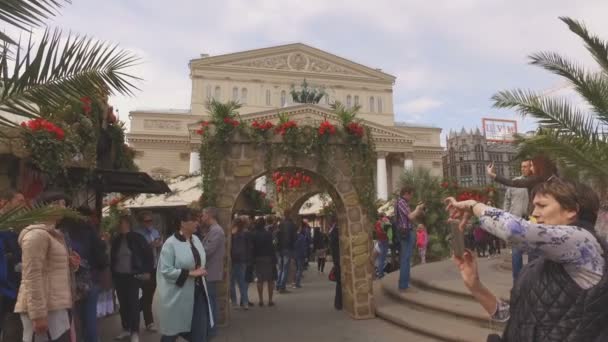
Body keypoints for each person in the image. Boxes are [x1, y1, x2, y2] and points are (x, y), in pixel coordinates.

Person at [449, 177, 608, 341]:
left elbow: (513, 230)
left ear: (571, 210)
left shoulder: (584, 242)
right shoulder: (542, 262)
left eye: (542, 205)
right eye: (534, 206)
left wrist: (474, 205)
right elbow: (516, 318)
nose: (534, 213)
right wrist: (475, 286)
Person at [15, 191, 77, 342]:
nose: (62, 207)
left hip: (55, 305)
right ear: (41, 208)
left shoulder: (53, 235)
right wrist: (38, 315)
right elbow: (32, 276)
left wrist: (69, 264)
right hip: (44, 309)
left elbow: (50, 268)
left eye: (63, 204)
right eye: (56, 204)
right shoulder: (37, 235)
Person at [157, 208, 213, 342]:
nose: (197, 223)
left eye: (197, 220)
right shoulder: (170, 244)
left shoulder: (196, 240)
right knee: (171, 332)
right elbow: (165, 270)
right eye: (193, 220)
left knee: (200, 333)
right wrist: (190, 273)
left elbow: (199, 261)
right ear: (182, 223)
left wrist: (201, 269)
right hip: (178, 295)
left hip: (198, 292)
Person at [58, 207, 108, 342]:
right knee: (90, 318)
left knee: (75, 320)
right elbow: (101, 258)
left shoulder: (61, 230)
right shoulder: (88, 230)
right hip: (91, 279)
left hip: (70, 281)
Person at [110, 215, 154, 342]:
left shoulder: (137, 238)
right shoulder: (117, 239)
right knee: (122, 304)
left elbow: (148, 254)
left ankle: (135, 331)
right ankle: (126, 329)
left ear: (128, 224)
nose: (120, 225)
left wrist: (147, 271)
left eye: (122, 223)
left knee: (133, 304)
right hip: (119, 276)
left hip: (133, 276)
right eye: (120, 223)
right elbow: (113, 258)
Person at [487, 155, 556, 214]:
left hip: (537, 215)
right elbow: (507, 200)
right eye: (521, 167)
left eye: (531, 166)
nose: (523, 169)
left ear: (537, 166)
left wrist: (493, 175)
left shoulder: (535, 180)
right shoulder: (545, 179)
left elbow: (512, 183)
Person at [0, 189, 25, 341]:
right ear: (3, 202)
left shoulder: (17, 225)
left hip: (12, 288)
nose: (23, 205)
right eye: (19, 201)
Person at [503, 160, 532, 279]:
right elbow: (507, 200)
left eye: (526, 166)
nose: (523, 169)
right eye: (522, 166)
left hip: (532, 221)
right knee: (516, 253)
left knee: (533, 253)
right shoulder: (515, 182)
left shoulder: (537, 183)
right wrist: (505, 217)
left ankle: (531, 280)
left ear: (531, 167)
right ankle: (517, 281)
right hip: (516, 221)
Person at [394, 186, 426, 291]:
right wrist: (417, 209)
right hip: (405, 233)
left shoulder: (402, 202)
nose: (411, 197)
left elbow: (410, 216)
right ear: (406, 193)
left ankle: (405, 284)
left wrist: (419, 210)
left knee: (406, 258)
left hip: (406, 232)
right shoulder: (401, 202)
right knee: (405, 259)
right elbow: (411, 217)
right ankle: (403, 285)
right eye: (411, 194)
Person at [200, 207, 225, 338]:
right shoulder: (214, 230)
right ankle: (211, 329)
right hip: (210, 272)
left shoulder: (216, 231)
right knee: (211, 301)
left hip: (210, 272)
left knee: (210, 302)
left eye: (203, 215)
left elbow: (207, 251)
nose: (201, 217)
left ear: (209, 215)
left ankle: (212, 330)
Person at [135, 212, 161, 333]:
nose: (149, 223)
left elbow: (159, 245)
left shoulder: (155, 232)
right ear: (142, 222)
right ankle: (149, 322)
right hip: (144, 268)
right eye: (146, 221)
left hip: (155, 266)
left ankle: (132, 310)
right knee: (147, 294)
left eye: (150, 221)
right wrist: (149, 245)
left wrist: (159, 244)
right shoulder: (138, 234)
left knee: (149, 294)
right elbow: (138, 250)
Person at [251, 217, 276, 306]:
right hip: (268, 258)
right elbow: (272, 247)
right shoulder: (269, 234)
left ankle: (261, 300)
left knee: (260, 280)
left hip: (258, 258)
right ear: (264, 224)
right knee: (270, 280)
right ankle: (270, 300)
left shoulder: (253, 234)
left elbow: (252, 248)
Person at [230, 217, 251, 310]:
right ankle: (245, 302)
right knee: (242, 282)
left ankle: (234, 301)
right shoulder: (246, 234)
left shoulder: (232, 234)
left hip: (234, 260)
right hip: (243, 260)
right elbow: (249, 247)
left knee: (231, 283)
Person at [276, 212, 296, 293]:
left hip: (280, 248)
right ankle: (282, 287)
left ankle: (278, 284)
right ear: (289, 215)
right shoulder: (291, 224)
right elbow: (294, 237)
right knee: (285, 268)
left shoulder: (280, 224)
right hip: (287, 248)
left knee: (280, 268)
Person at [328, 216, 342, 310]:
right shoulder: (336, 231)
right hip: (338, 259)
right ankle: (339, 303)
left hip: (336, 258)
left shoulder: (332, 231)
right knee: (340, 281)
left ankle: (338, 303)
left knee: (339, 281)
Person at [374, 214, 390, 278]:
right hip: (383, 241)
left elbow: (376, 230)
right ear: (381, 217)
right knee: (382, 257)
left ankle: (381, 272)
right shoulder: (379, 223)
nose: (384, 218)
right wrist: (385, 233)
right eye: (383, 216)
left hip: (382, 240)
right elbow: (379, 231)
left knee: (383, 257)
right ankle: (380, 273)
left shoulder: (380, 222)